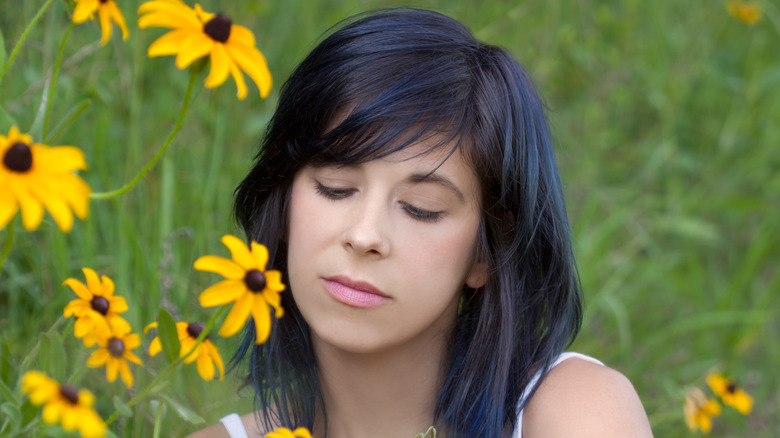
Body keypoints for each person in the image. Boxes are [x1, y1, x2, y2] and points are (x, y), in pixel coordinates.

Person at [189, 8, 653, 438]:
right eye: (335, 186)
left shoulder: (572, 410)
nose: (364, 235)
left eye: (421, 207)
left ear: (488, 250)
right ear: (284, 198)